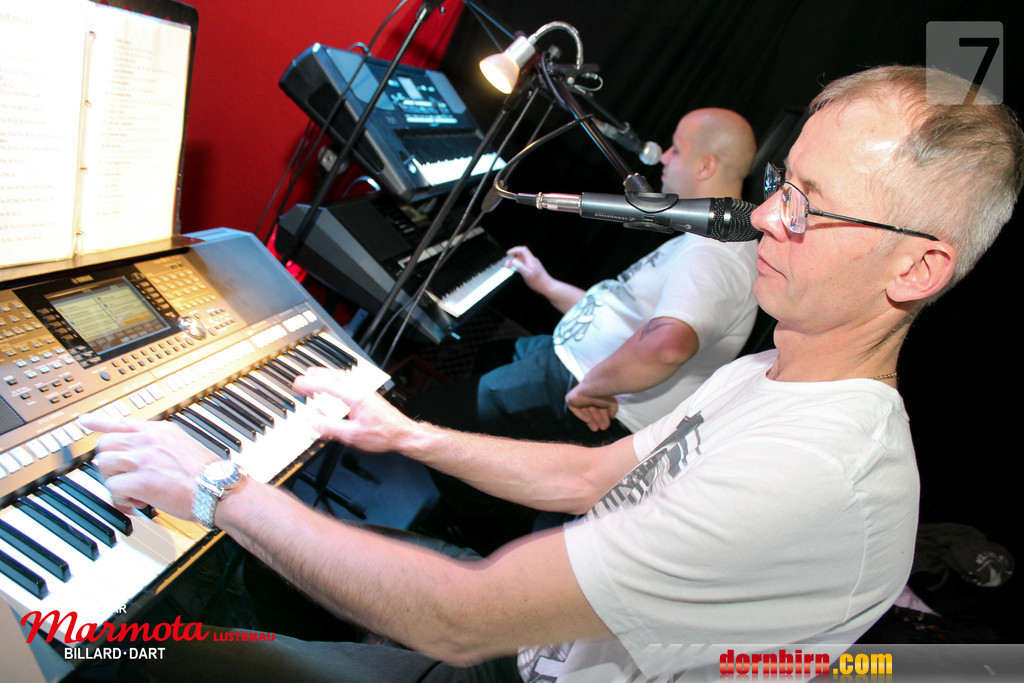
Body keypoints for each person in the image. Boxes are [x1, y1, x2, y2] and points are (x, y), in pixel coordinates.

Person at [82, 65, 1023, 681]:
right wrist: (406, 433)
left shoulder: (818, 471)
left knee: (150, 659)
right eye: (785, 184)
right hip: (533, 646)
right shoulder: (769, 375)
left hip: (498, 652)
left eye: (813, 206)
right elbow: (587, 475)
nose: (767, 217)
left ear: (917, 268)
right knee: (257, 571)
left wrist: (215, 485)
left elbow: (458, 619)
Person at [408, 107, 759, 446]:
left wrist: (589, 390)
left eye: (676, 149)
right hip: (571, 362)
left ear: (706, 166)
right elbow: (624, 316)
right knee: (492, 356)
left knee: (420, 420)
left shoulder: (716, 254)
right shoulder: (703, 240)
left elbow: (667, 347)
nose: (664, 157)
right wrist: (545, 283)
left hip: (585, 395)